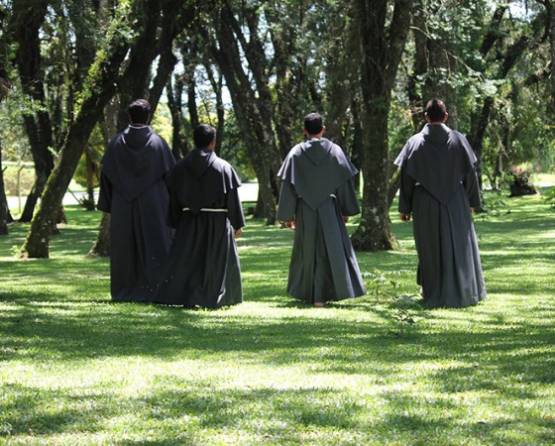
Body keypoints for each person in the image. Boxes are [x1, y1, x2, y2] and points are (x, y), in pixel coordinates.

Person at [395, 98, 486, 308]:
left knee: (429, 247)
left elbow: (406, 179)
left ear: (426, 117)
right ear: (446, 116)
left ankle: (431, 291)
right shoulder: (459, 140)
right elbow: (470, 175)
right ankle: (465, 291)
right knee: (460, 245)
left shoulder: (414, 142)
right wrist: (473, 201)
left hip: (424, 202)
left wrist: (405, 208)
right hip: (456, 200)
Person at [277, 113, 366, 307]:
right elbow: (344, 182)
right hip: (329, 208)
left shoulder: (295, 153)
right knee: (331, 249)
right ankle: (326, 294)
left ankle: (312, 295)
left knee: (308, 250)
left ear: (304, 130)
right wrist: (346, 210)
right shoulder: (335, 151)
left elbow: (288, 185)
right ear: (323, 129)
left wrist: (287, 215)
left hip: (305, 209)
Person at [155, 124, 244, 308]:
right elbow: (232, 199)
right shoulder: (223, 168)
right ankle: (213, 297)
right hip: (217, 223)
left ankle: (188, 296)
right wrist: (237, 223)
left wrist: (176, 220)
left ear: (194, 141)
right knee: (214, 262)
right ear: (213, 142)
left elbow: (174, 197)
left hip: (189, 221)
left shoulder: (179, 168)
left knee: (188, 260)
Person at [98, 99, 175, 302]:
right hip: (154, 204)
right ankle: (156, 291)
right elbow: (172, 178)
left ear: (129, 116)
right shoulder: (159, 144)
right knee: (156, 245)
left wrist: (109, 203)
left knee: (124, 249)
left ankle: (124, 292)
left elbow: (106, 175)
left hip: (123, 204)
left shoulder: (115, 144)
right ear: (148, 116)